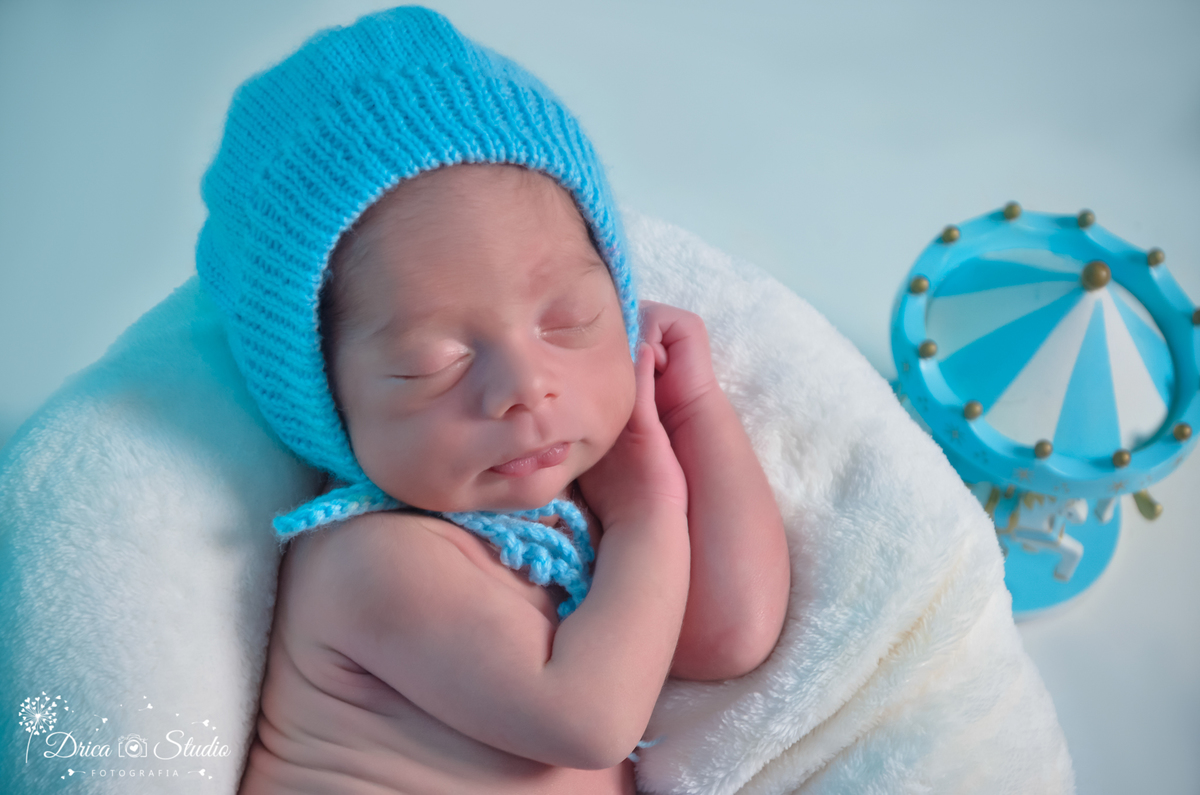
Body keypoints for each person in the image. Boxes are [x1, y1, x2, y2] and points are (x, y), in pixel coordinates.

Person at [196, 7, 789, 793]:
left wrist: (690, 408)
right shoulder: (372, 559)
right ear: (325, 401)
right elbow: (592, 719)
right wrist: (646, 513)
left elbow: (730, 633)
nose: (523, 388)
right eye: (432, 364)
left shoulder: (562, 516)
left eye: (569, 322)